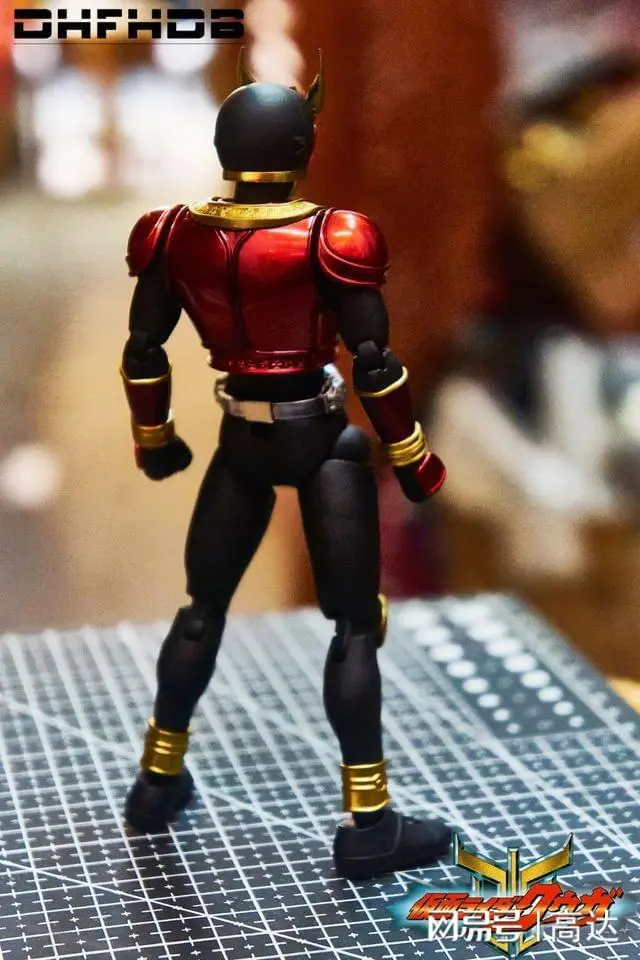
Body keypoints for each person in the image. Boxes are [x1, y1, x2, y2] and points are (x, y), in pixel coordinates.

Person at [119, 52, 451, 880]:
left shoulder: (173, 233)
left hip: (240, 439)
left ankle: (157, 779)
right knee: (352, 625)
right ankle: (369, 822)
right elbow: (374, 362)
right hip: (320, 440)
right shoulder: (332, 236)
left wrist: (154, 437)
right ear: (302, 143)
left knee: (202, 611)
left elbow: (143, 348)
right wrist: (412, 455)